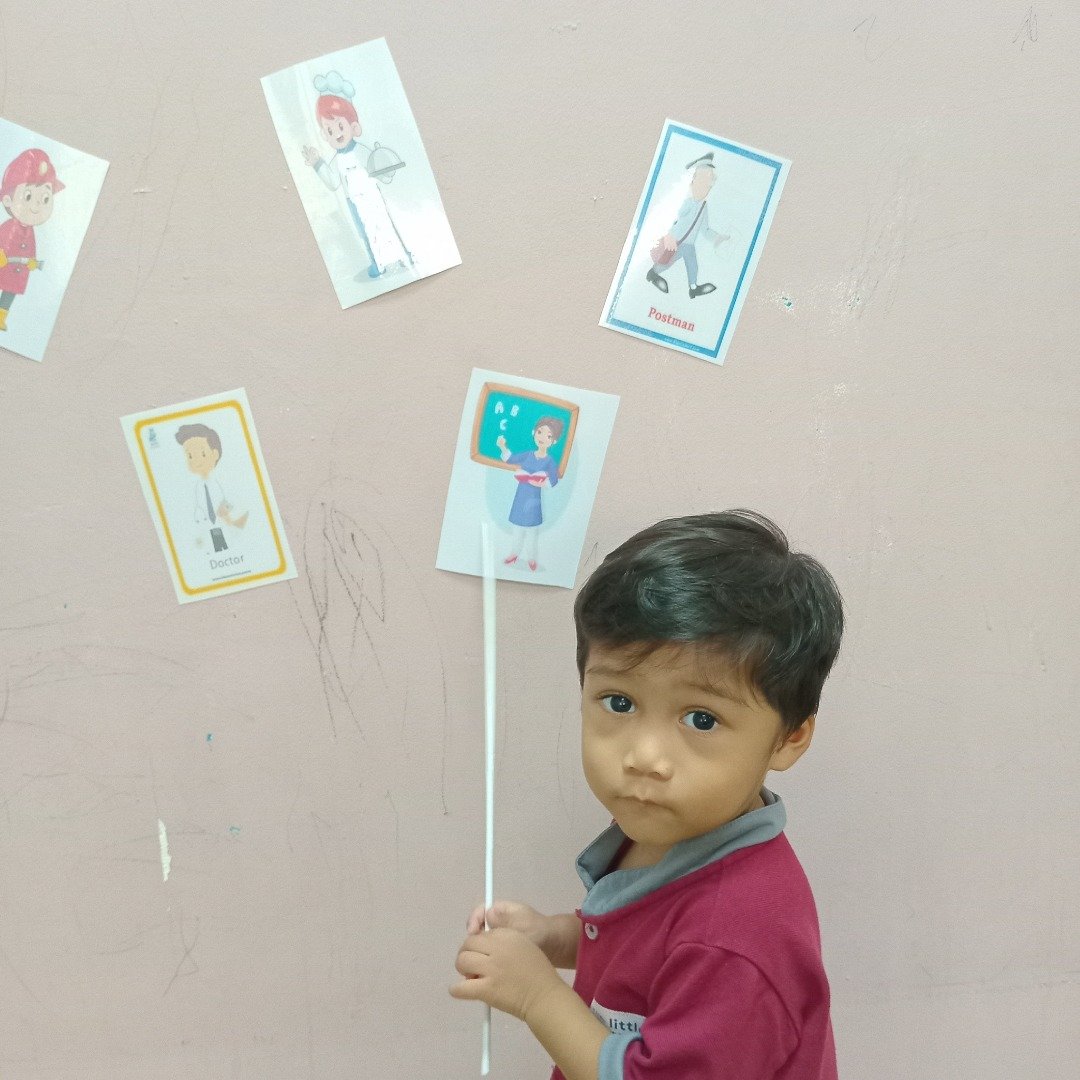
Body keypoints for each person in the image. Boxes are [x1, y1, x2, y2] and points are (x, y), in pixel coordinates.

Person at [451, 510, 843, 1080]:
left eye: (702, 719)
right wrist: (553, 937)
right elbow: (646, 953)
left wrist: (537, 996)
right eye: (619, 702)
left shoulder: (732, 937)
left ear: (790, 738)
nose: (644, 757)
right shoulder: (671, 836)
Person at [301, 71, 412, 279]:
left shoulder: (361, 151)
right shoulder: (336, 160)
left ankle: (401, 257)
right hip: (355, 203)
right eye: (330, 130)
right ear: (325, 135)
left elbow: (378, 167)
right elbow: (333, 182)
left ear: (354, 127)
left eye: (340, 126)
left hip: (372, 197)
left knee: (384, 225)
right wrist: (317, 163)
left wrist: (385, 170)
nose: (337, 133)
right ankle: (378, 264)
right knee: (366, 233)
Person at [646, 152, 730, 299]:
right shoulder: (687, 201)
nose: (706, 187)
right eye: (703, 182)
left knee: (692, 264)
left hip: (689, 244)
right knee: (668, 262)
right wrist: (669, 235)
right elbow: (673, 217)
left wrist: (717, 238)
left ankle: (693, 288)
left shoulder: (703, 206)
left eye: (709, 184)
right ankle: (653, 273)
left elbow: (705, 229)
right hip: (677, 241)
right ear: (694, 181)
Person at [0, 149, 64, 331]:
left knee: (9, 292)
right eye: (28, 196)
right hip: (3, 265)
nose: (36, 205)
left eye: (45, 198)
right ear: (7, 199)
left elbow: (30, 248)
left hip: (17, 270)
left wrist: (32, 262)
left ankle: (1, 316)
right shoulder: (8, 227)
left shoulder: (30, 231)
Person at [496, 416, 564, 572]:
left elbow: (553, 481)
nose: (542, 438)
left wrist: (540, 483)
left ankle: (532, 559)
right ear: (534, 433)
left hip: (533, 502)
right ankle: (514, 555)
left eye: (548, 436)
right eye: (540, 432)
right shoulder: (527, 455)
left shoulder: (549, 461)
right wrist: (502, 446)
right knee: (517, 531)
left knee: (532, 533)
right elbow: (510, 459)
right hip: (520, 498)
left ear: (553, 441)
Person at [175, 423, 249, 553]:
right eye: (190, 456)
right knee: (216, 545)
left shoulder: (221, 480)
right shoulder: (198, 486)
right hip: (208, 527)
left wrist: (226, 509)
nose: (196, 460)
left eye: (202, 453)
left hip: (226, 522)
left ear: (214, 454)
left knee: (230, 543)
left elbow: (235, 497)